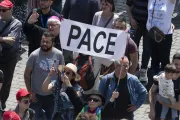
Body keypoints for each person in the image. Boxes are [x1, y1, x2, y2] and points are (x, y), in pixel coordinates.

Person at [24, 32, 64, 120]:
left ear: (53, 43)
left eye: (47, 42)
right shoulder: (34, 55)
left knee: (51, 117)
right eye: (43, 41)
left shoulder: (59, 54)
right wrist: (30, 92)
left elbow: (61, 71)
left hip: (52, 95)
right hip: (36, 96)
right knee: (34, 117)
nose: (44, 44)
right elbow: (27, 75)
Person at [0, 0, 22, 110]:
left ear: (11, 10)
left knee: (6, 81)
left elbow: (12, 40)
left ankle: (2, 102)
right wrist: (4, 38)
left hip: (9, 56)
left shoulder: (16, 23)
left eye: (4, 10)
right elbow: (7, 39)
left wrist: (5, 40)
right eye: (0, 10)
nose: (1, 12)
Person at [146, 0, 176, 72]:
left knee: (164, 60)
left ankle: (166, 80)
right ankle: (153, 79)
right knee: (154, 59)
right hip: (152, 33)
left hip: (165, 34)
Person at [149, 53, 180, 120]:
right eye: (176, 64)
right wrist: (151, 109)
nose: (178, 67)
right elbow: (152, 91)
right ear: (172, 63)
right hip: (158, 113)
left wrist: (163, 102)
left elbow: (179, 106)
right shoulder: (162, 75)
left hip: (173, 116)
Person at [126, 0, 149, 83]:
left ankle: (143, 70)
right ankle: (135, 68)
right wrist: (131, 19)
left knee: (147, 48)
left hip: (149, 25)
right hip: (135, 23)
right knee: (134, 47)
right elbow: (128, 6)